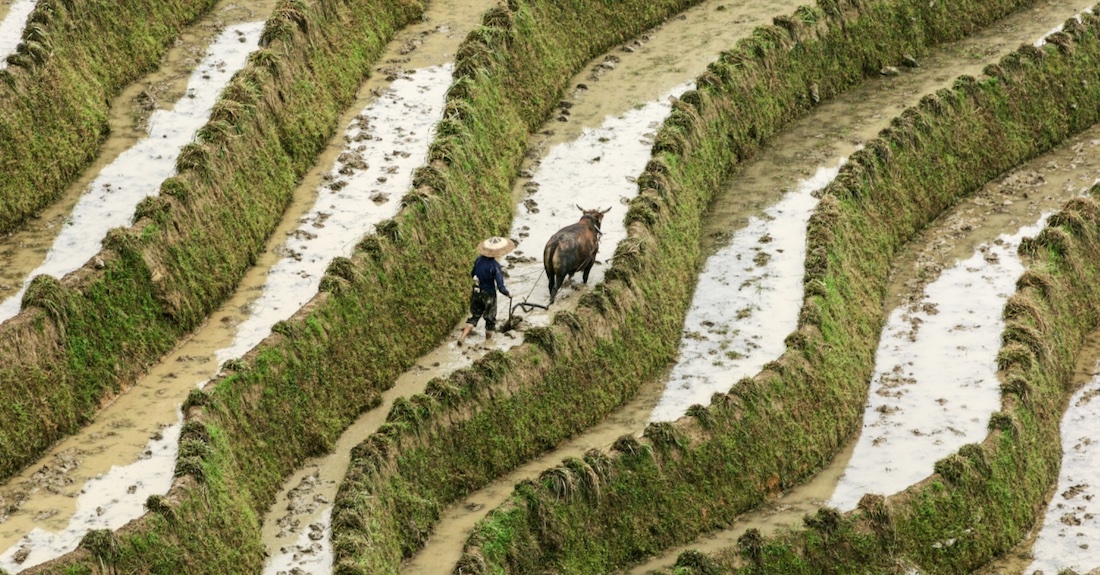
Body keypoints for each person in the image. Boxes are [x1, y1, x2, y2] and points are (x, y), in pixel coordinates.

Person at [458, 236, 515, 346]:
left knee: (474, 317)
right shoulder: (495, 266)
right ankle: (487, 343)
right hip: (489, 295)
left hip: (476, 292)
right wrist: (509, 294)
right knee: (490, 321)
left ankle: (462, 338)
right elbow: (500, 287)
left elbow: (472, 274)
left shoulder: (478, 260)